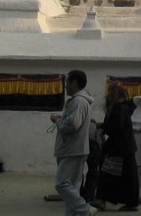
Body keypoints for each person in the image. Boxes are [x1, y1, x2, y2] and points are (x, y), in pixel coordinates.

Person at [51, 70, 95, 216]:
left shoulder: (78, 101)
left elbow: (72, 125)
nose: (65, 86)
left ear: (75, 83)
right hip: (77, 148)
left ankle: (85, 209)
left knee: (62, 184)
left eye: (67, 83)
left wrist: (58, 120)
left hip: (72, 149)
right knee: (73, 187)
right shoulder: (81, 101)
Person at [92, 82, 139, 212]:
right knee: (125, 176)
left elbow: (116, 127)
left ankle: (102, 199)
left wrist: (103, 126)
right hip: (123, 147)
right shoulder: (122, 108)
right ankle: (129, 201)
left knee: (108, 174)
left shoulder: (120, 109)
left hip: (119, 148)